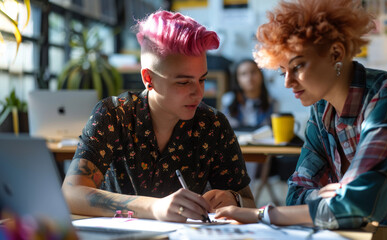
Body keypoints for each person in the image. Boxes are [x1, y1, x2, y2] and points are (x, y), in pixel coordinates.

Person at [214, 1, 387, 239]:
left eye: (297, 67)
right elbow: (295, 194)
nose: (288, 83)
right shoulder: (321, 111)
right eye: (283, 71)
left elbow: (358, 206)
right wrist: (328, 198)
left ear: (336, 53)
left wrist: (262, 214)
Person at [62, 10, 255, 223]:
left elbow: (249, 201)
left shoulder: (212, 125)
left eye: (202, 79)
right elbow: (71, 194)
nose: (198, 93)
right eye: (183, 82)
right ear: (148, 78)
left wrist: (233, 199)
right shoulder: (114, 115)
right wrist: (154, 207)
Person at [221, 59, 276, 129]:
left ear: (261, 75)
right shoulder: (228, 100)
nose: (249, 78)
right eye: (243, 74)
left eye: (253, 72)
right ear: (237, 80)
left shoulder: (272, 102)